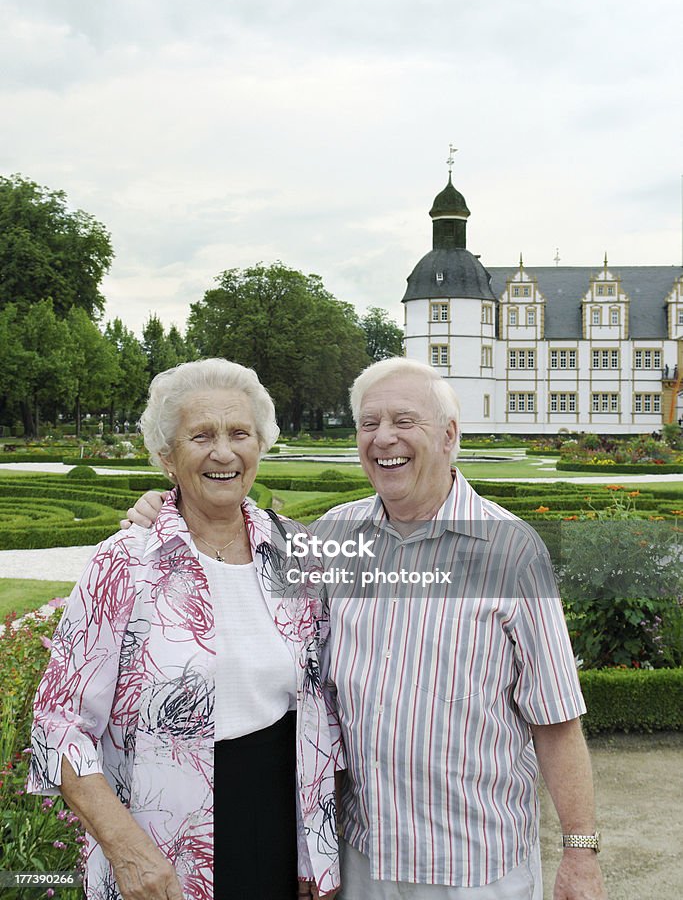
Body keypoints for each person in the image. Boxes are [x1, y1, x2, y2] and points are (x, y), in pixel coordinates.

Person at [126, 357, 607, 900]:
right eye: (369, 424)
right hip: (361, 859)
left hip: (477, 864)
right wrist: (164, 509)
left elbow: (557, 718)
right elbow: (242, 594)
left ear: (449, 435)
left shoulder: (512, 552)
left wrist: (581, 852)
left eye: (405, 421)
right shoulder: (330, 538)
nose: (384, 439)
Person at [28, 358, 342, 900]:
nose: (224, 452)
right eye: (202, 436)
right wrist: (125, 847)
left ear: (260, 446)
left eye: (239, 433)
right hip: (160, 842)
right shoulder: (124, 562)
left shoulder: (299, 554)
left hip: (280, 827)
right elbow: (59, 723)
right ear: (167, 458)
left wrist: (319, 845)